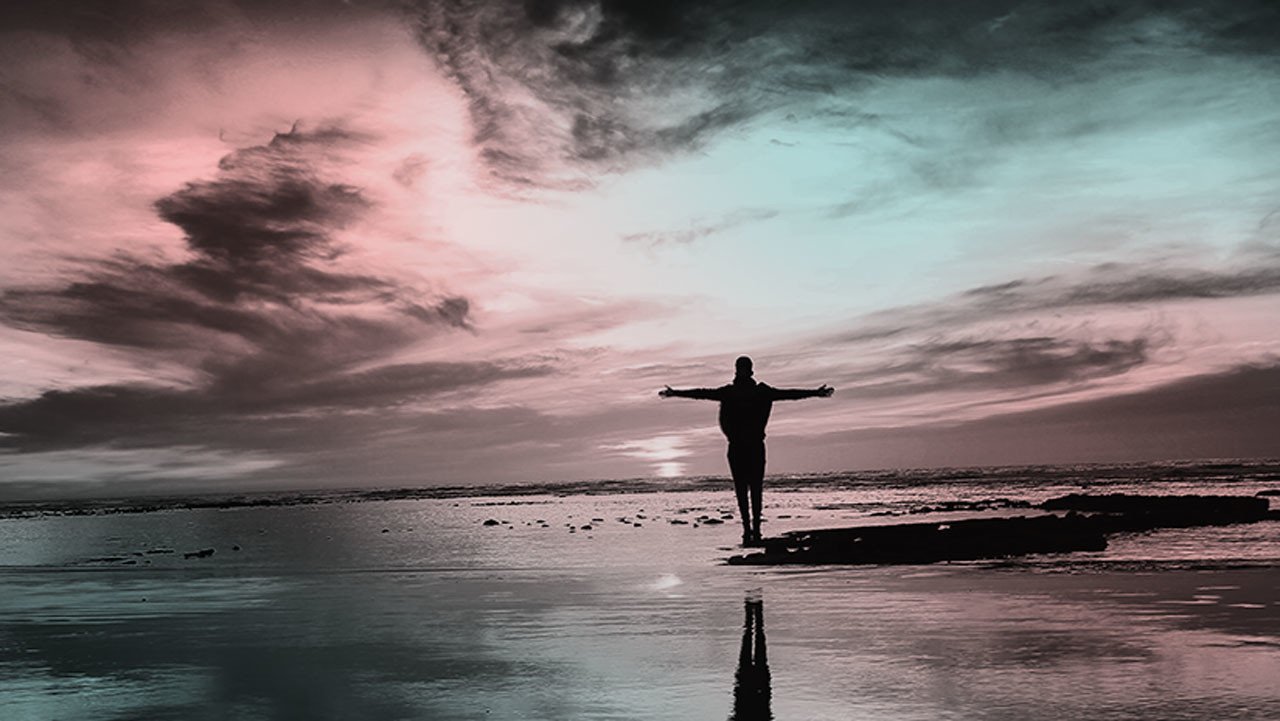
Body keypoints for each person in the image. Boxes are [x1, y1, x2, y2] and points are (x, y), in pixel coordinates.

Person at [659, 356, 832, 545]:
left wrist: (815, 393)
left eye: (743, 368)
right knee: (744, 489)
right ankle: (748, 528)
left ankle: (754, 528)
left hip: (751, 446)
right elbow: (702, 393)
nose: (741, 371)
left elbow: (789, 394)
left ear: (745, 370)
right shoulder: (737, 392)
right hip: (740, 447)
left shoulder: (756, 392)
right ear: (746, 371)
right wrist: (676, 393)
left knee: (753, 488)